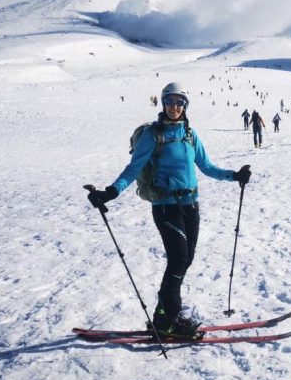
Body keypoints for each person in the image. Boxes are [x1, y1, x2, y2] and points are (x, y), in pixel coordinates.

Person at [86, 82, 251, 338]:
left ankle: (166, 314)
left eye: (179, 102)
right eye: (170, 101)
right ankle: (166, 321)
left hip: (190, 206)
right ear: (163, 103)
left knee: (185, 261)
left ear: (185, 106)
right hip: (166, 208)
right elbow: (133, 168)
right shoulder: (153, 135)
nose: (175, 106)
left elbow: (206, 167)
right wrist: (110, 192)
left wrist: (234, 175)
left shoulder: (189, 134)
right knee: (179, 260)